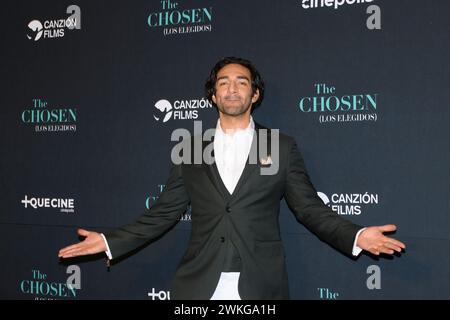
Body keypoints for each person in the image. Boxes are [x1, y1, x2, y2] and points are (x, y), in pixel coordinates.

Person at [58, 56, 405, 300]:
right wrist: (109, 242)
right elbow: (162, 213)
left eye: (242, 82)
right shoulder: (190, 148)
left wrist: (357, 234)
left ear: (255, 94)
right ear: (213, 95)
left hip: (260, 282)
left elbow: (310, 210)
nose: (232, 88)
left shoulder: (279, 146)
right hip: (199, 283)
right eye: (223, 83)